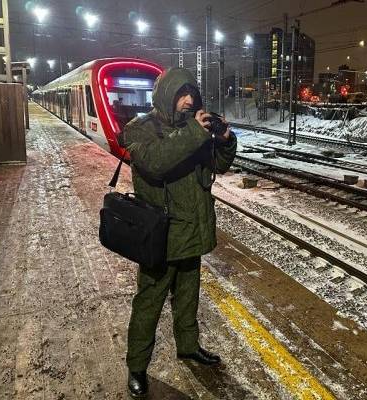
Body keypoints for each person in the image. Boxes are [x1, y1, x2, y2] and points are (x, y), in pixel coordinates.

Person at [121, 68, 237, 398]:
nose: (188, 101)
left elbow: (219, 165)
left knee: (188, 298)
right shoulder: (140, 130)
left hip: (192, 232)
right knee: (149, 303)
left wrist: (225, 141)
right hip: (160, 237)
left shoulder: (194, 130)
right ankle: (137, 366)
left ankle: (188, 346)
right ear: (167, 95)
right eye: (181, 94)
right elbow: (156, 162)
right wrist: (195, 134)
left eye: (192, 95)